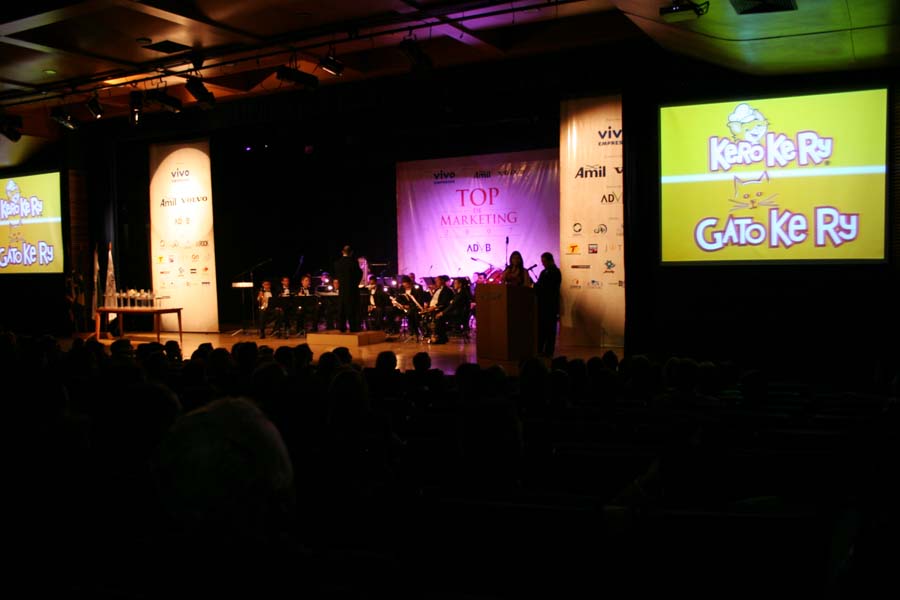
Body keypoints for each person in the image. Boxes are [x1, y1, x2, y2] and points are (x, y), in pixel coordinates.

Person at [534, 251, 561, 357]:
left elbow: (550, 287)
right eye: (542, 261)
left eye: (544, 261)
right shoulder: (543, 272)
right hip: (542, 305)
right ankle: (540, 349)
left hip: (550, 305)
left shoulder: (555, 272)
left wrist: (538, 287)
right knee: (541, 329)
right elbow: (539, 285)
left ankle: (549, 351)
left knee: (550, 330)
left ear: (550, 260)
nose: (542, 264)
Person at [333, 245, 363, 332]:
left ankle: (342, 327)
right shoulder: (353, 263)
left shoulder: (337, 263)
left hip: (342, 289)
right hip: (352, 289)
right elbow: (359, 274)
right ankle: (353, 327)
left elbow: (337, 276)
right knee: (353, 308)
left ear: (342, 252)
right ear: (351, 253)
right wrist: (355, 284)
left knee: (342, 308)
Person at [421, 275, 453, 343]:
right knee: (421, 315)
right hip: (433, 308)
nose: (436, 282)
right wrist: (427, 305)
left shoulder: (447, 290)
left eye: (437, 281)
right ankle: (428, 334)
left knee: (436, 317)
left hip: (441, 309)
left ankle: (439, 337)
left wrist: (433, 307)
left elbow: (444, 302)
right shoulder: (437, 290)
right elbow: (433, 299)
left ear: (442, 281)